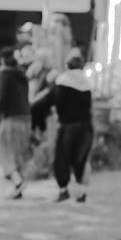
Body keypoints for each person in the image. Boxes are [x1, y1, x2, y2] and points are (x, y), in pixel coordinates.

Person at [40, 49, 95, 202]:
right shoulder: (87, 83)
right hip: (85, 126)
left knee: (62, 158)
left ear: (67, 65)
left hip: (67, 126)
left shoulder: (63, 81)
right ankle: (81, 192)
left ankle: (63, 190)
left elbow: (50, 101)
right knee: (81, 159)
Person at [0, 45, 35, 198]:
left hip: (11, 117)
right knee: (19, 152)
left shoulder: (4, 74)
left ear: (2, 59)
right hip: (26, 117)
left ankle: (18, 182)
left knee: (4, 151)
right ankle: (18, 187)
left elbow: (2, 98)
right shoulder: (22, 74)